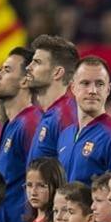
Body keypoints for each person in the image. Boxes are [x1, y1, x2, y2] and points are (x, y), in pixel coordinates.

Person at [0, 46, 42, 222]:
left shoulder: (30, 123)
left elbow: (40, 182)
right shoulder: (10, 125)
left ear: (24, 81)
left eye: (6, 70)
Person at [57, 56, 111, 183]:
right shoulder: (65, 135)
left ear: (108, 89)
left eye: (99, 84)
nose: (92, 91)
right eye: (85, 83)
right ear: (73, 88)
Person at [26, 34, 80, 163]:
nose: (28, 67)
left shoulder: (65, 115)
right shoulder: (50, 114)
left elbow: (70, 174)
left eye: (37, 62)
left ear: (57, 73)